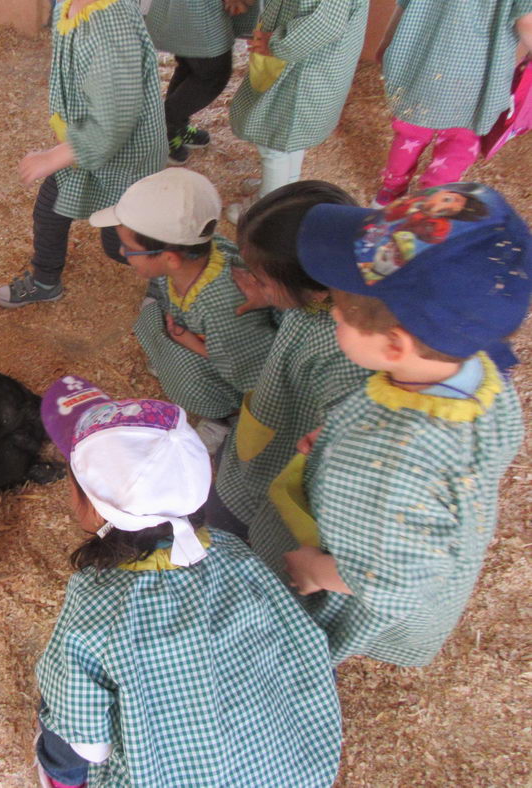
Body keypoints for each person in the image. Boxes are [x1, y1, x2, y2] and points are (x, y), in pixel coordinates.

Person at [33, 375, 341, 788]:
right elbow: (309, 653)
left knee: (55, 711)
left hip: (161, 776)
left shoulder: (95, 605)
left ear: (92, 509)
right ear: (204, 477)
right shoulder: (235, 553)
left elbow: (84, 740)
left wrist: (63, 769)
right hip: (289, 772)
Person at [269, 182, 530, 666]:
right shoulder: (482, 379)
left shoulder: (396, 466)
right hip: (409, 531)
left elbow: (398, 580)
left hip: (363, 581)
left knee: (313, 639)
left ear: (394, 345)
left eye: (338, 310)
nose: (331, 313)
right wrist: (340, 434)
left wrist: (317, 571)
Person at [204, 181, 367, 577]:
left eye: (261, 280)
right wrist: (272, 297)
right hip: (261, 433)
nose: (252, 283)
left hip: (283, 460)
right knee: (226, 496)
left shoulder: (347, 351)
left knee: (237, 531)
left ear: (309, 289)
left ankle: (226, 564)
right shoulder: (321, 292)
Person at [88, 167, 277, 451]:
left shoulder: (224, 307)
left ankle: (222, 417)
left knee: (187, 375)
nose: (123, 253)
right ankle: (171, 359)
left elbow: (252, 374)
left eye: (129, 248)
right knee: (150, 316)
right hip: (191, 328)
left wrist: (189, 343)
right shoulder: (193, 256)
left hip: (229, 365)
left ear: (170, 258)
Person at [0, 0, 167, 307]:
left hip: (123, 160)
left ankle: (166, 281)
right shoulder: (73, 5)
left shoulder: (109, 26)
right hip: (82, 148)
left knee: (124, 242)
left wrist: (54, 157)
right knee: (50, 211)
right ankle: (46, 279)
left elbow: (116, 118)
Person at [372, 1, 532, 207]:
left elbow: (404, 4)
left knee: (409, 135)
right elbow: (526, 22)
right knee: (459, 143)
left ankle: (390, 191)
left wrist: (387, 41)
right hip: (475, 81)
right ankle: (429, 202)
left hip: (423, 69)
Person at [226, 0, 369, 224]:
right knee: (289, 139)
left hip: (302, 71)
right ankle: (283, 191)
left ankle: (266, 211)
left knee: (275, 143)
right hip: (297, 62)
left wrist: (275, 42)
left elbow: (326, 23)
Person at [142, 0, 256, 165]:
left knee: (191, 65)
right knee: (212, 74)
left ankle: (174, 126)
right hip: (197, 10)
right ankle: (163, 128)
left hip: (189, 10)